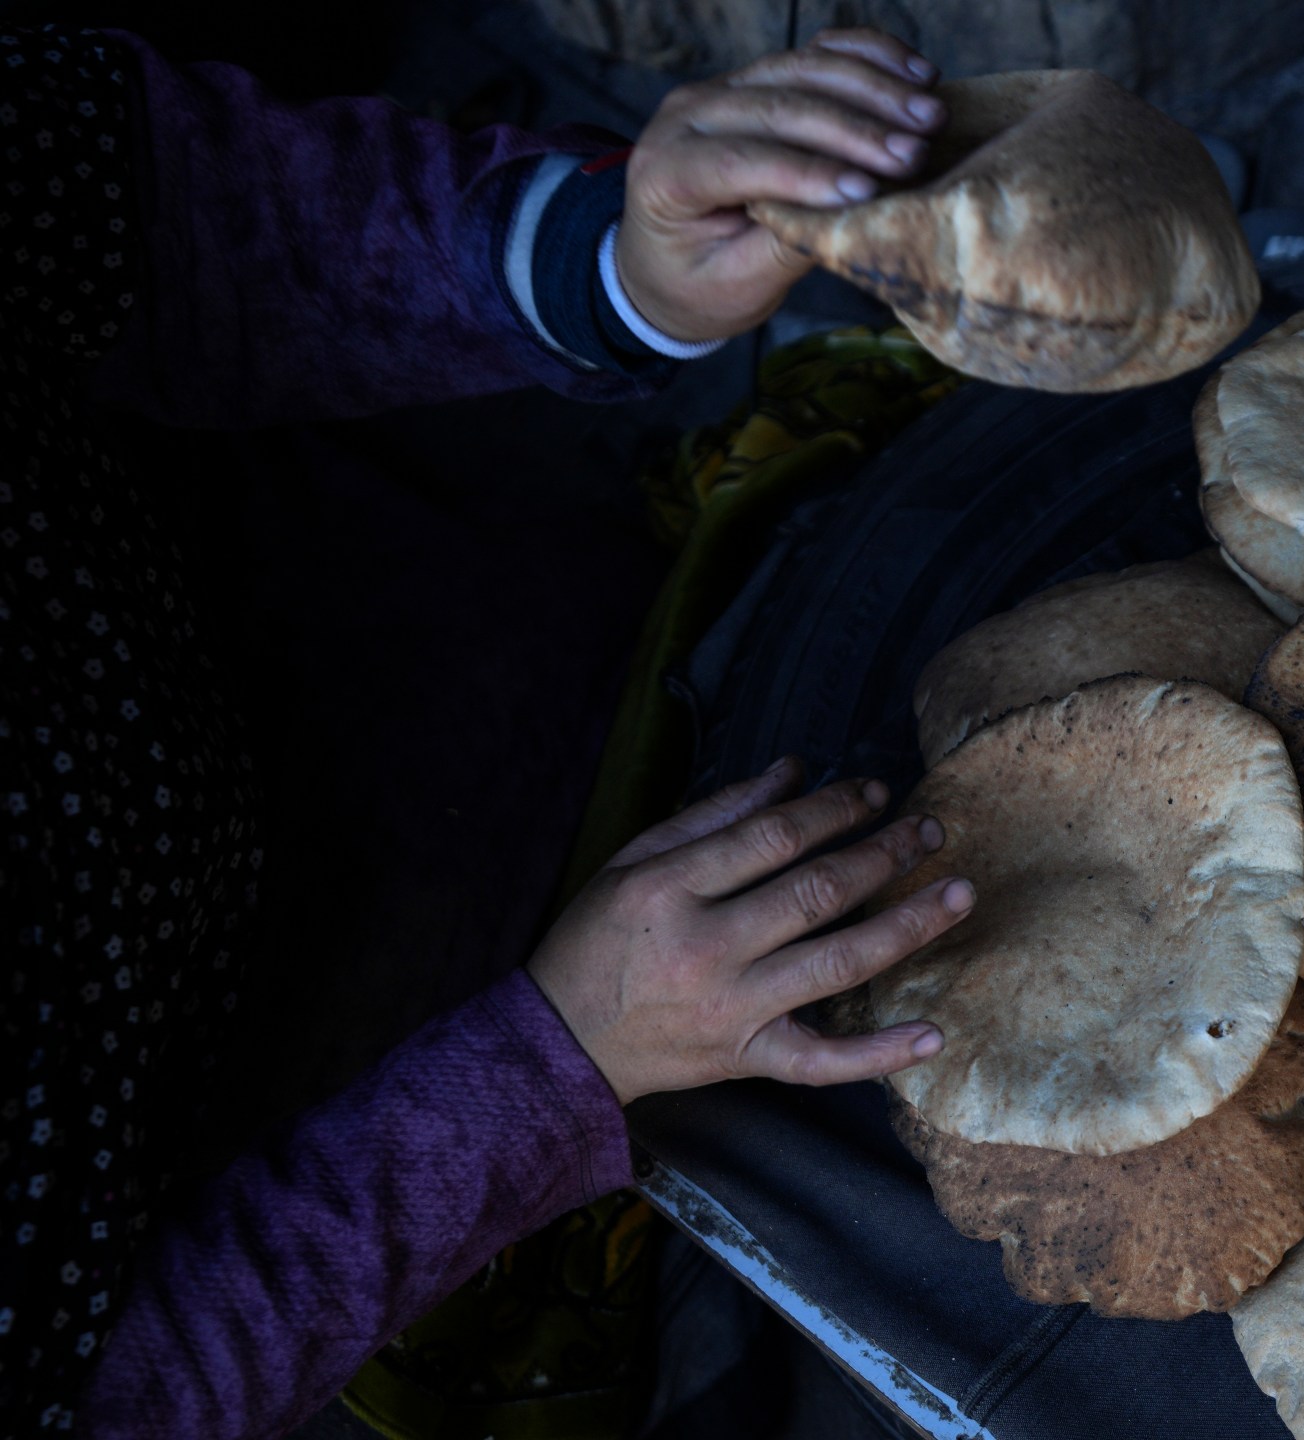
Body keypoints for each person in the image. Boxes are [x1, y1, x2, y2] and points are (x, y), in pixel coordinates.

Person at [0, 22, 973, 1436]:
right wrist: (550, 1067)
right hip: (301, 1128)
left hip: (324, 614)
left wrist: (602, 267)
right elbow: (112, 1398)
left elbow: (144, 208)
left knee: (729, 667)